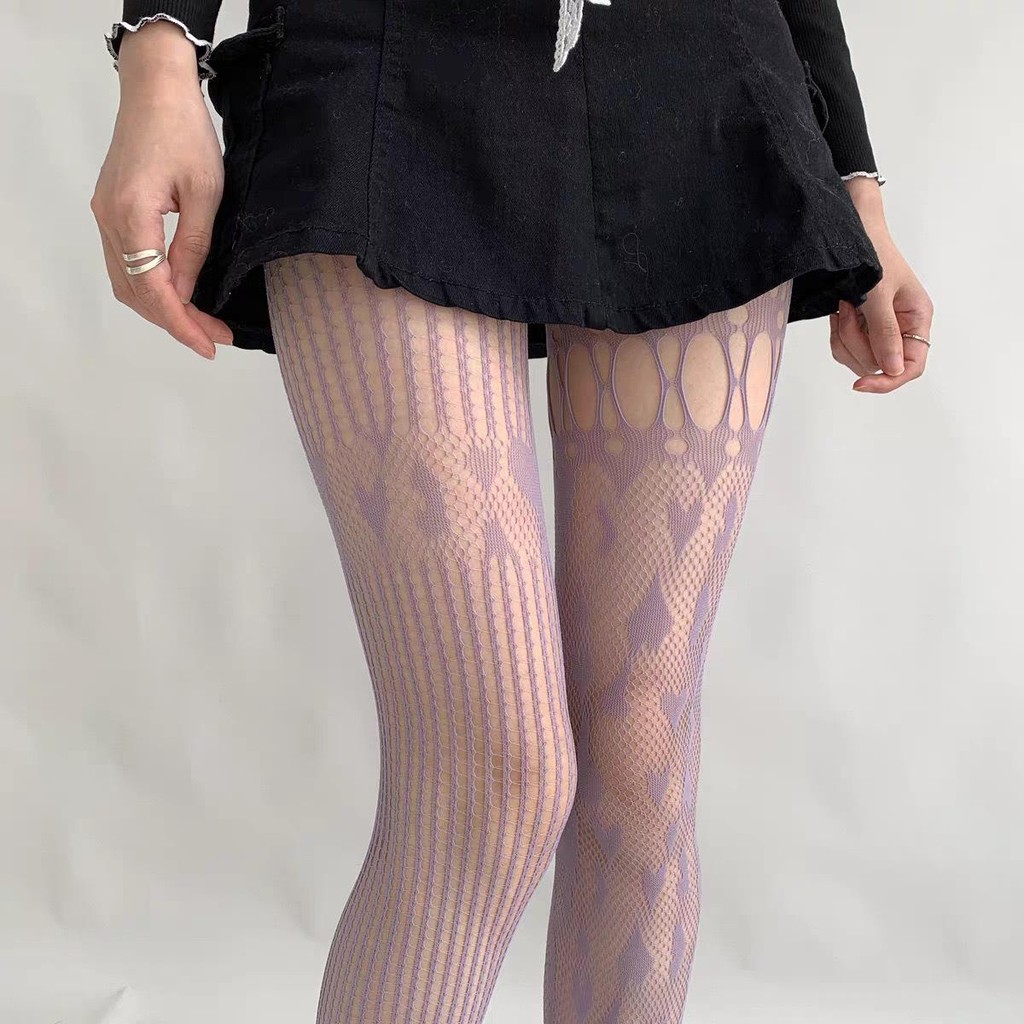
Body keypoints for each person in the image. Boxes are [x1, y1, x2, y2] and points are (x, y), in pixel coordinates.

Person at [91, 2, 934, 1022]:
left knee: (641, 763)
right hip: (381, 59)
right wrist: (160, 48)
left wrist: (857, 183)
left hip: (697, 73)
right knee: (491, 774)